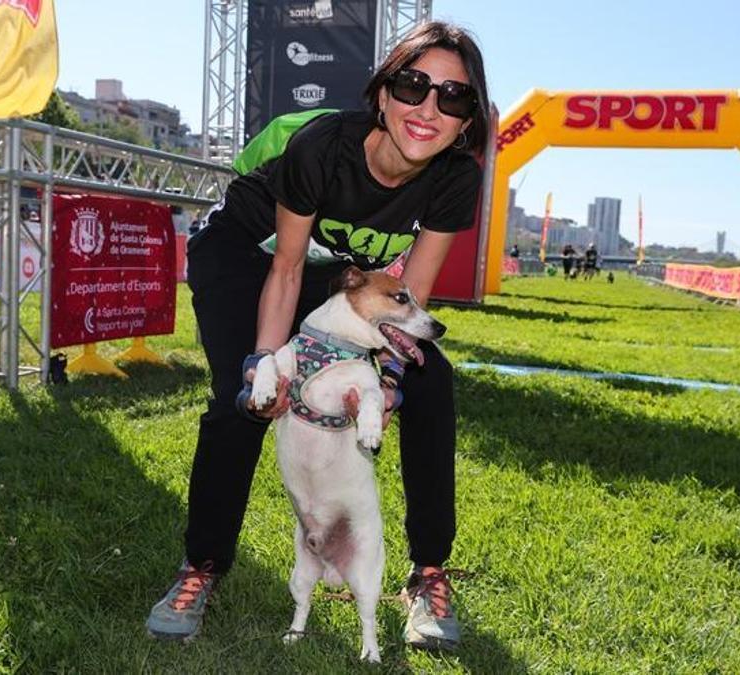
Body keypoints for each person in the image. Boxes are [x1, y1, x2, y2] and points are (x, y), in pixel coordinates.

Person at [146, 21, 491, 651]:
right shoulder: (324, 145)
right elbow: (284, 266)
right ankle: (202, 567)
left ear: (466, 120)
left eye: (454, 97)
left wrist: (387, 380)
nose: (429, 108)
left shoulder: (455, 179)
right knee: (246, 398)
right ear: (383, 94)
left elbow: (408, 301)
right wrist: (262, 362)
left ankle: (428, 574)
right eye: (414, 86)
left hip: (330, 276)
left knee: (430, 378)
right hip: (247, 256)